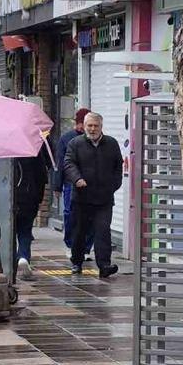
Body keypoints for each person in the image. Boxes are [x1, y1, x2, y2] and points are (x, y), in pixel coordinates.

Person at [62, 112, 122, 278]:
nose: (93, 129)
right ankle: (77, 261)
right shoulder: (75, 143)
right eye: (90, 125)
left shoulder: (111, 144)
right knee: (79, 231)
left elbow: (118, 166)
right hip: (82, 198)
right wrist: (77, 179)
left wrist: (113, 186)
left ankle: (104, 265)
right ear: (84, 126)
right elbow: (68, 164)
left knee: (103, 231)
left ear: (101, 127)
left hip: (104, 198)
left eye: (96, 126)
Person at [55, 108, 93, 256]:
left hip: (90, 183)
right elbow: (60, 163)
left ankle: (86, 247)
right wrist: (57, 185)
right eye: (79, 123)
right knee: (70, 213)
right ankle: (71, 245)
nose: (81, 127)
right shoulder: (66, 138)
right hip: (70, 182)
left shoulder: (95, 139)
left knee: (90, 215)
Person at [13, 141, 53, 281]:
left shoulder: (5, 149)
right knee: (25, 231)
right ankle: (23, 256)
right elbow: (42, 176)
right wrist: (38, 198)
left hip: (9, 198)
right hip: (29, 198)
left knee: (9, 232)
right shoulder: (33, 148)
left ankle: (12, 262)